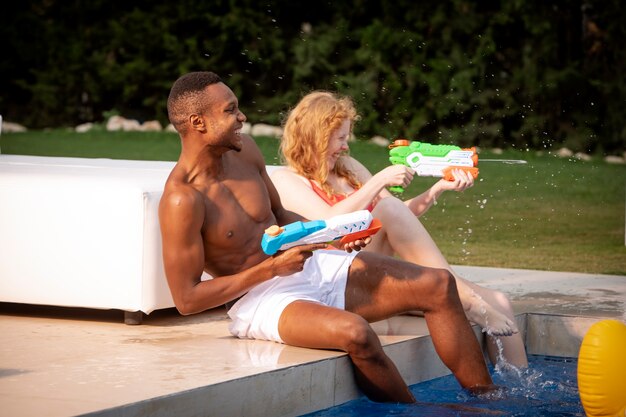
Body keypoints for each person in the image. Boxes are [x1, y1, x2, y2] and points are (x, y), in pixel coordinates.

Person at [159, 71, 495, 404]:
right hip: (262, 298)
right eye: (230, 110)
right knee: (357, 334)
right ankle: (411, 413)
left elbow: (281, 216)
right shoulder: (182, 199)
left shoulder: (244, 152)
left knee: (437, 284)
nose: (242, 117)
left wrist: (334, 235)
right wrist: (272, 269)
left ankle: (488, 403)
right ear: (198, 122)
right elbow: (187, 299)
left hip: (309, 262)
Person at [270, 91, 528, 368]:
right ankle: (468, 301)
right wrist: (379, 180)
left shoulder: (347, 169)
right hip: (344, 283)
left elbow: (399, 217)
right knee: (387, 208)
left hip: (380, 273)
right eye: (341, 138)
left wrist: (437, 190)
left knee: (500, 301)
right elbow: (330, 222)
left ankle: (517, 390)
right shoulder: (287, 181)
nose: (346, 147)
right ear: (316, 136)